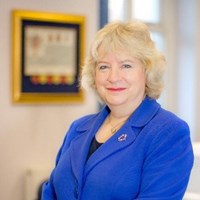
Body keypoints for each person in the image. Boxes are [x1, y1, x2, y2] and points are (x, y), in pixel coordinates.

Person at [42, 20, 194, 200]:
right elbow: (51, 191)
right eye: (104, 67)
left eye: (126, 65)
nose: (113, 77)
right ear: (94, 74)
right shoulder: (78, 128)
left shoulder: (169, 133)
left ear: (147, 72)